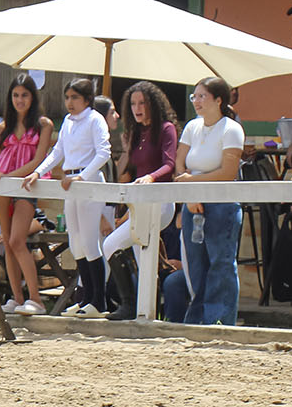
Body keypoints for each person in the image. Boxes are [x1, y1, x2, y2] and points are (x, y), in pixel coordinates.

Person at [28, 77, 111, 317]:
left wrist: (83, 176)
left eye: (75, 97)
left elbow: (103, 152)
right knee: (75, 243)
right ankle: (85, 298)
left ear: (86, 100)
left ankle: (99, 301)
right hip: (69, 182)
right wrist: (38, 171)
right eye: (67, 97)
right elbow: (58, 151)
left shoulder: (95, 119)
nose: (70, 102)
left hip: (87, 181)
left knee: (89, 241)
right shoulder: (68, 121)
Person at [99, 81, 178, 321]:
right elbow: (128, 170)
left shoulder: (166, 129)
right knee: (140, 259)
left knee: (113, 244)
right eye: (133, 103)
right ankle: (143, 311)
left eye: (142, 102)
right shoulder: (136, 134)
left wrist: (150, 177)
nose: (137, 108)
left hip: (160, 203)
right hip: (138, 205)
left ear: (153, 103)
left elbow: (170, 164)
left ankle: (131, 305)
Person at [174, 76, 245, 326]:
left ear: (218, 100)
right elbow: (179, 162)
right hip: (193, 203)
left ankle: (221, 321)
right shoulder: (192, 127)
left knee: (221, 263)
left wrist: (191, 184)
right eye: (194, 96)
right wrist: (190, 193)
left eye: (202, 96)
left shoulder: (231, 129)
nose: (197, 101)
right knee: (196, 265)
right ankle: (197, 320)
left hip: (221, 204)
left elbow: (228, 172)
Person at [0, 73, 54, 314]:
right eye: (15, 95)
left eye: (24, 95)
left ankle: (35, 299)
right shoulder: (2, 127)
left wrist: (7, 176)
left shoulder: (44, 124)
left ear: (32, 97)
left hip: (26, 185)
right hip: (2, 186)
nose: (20, 100)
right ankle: (17, 298)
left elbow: (39, 161)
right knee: (8, 242)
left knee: (17, 240)